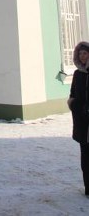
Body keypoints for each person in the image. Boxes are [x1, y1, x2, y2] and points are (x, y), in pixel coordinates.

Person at [68, 41, 89, 196]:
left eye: (85, 53)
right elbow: (72, 95)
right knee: (85, 156)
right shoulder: (77, 74)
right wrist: (75, 105)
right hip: (82, 121)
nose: (82, 56)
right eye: (80, 53)